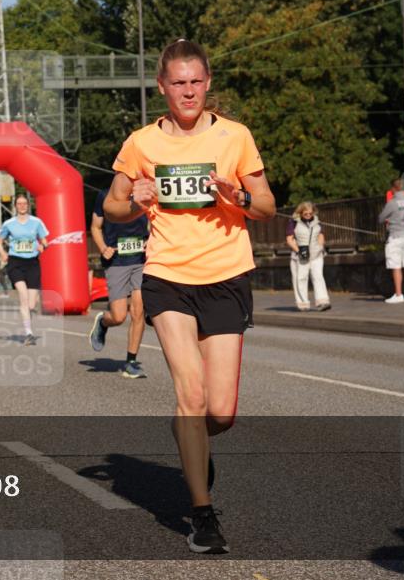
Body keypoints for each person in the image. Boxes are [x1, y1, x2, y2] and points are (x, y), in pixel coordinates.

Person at [104, 39, 275, 554]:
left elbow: (266, 203)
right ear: (162, 87)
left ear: (208, 83)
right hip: (168, 277)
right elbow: (112, 207)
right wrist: (132, 199)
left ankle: (194, 441)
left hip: (226, 276)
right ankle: (202, 515)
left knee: (219, 412)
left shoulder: (235, 136)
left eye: (195, 81)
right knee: (191, 396)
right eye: (178, 82)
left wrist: (239, 196)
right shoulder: (141, 143)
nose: (188, 91)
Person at [88, 186, 151, 378]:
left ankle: (131, 361)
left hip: (141, 259)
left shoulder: (146, 191)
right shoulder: (105, 195)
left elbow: (154, 220)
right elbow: (95, 227)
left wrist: (152, 239)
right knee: (118, 316)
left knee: (138, 311)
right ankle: (103, 322)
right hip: (116, 260)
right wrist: (102, 247)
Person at [0, 194, 49, 345]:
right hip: (15, 262)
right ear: (15, 206)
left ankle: (28, 327)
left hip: (32, 263)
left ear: (28, 205)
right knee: (23, 296)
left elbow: (45, 240)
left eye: (24, 204)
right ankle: (29, 333)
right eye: (19, 204)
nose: (22, 206)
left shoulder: (36, 222)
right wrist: (3, 253)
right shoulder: (9, 224)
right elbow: (0, 242)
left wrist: (43, 246)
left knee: (32, 304)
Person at [378, 178, 404, 303]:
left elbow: (381, 218)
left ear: (394, 188)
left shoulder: (392, 202)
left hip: (396, 236)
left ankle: (399, 294)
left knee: (396, 266)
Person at [286, 201, 330, 311]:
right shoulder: (293, 222)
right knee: (300, 278)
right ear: (300, 213)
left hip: (316, 255)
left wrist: (320, 247)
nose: (308, 216)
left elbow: (321, 236)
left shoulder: (317, 222)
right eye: (306, 214)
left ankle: (323, 301)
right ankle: (303, 304)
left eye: (310, 213)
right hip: (300, 256)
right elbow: (289, 239)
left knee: (318, 277)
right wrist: (299, 251)